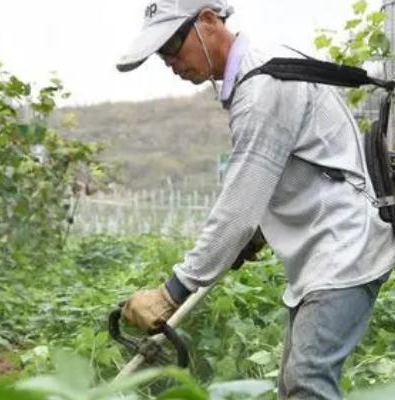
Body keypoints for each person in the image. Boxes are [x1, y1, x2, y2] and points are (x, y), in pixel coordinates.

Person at [116, 0, 395, 398]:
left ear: (209, 22)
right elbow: (299, 165)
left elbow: (238, 210)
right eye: (162, 55)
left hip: (345, 246)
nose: (170, 62)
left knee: (307, 382)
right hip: (327, 247)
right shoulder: (259, 74)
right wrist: (256, 237)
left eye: (173, 46)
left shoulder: (263, 87)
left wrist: (170, 293)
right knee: (295, 384)